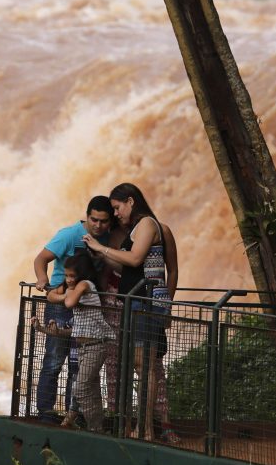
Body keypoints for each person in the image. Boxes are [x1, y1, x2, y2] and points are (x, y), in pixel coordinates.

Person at [84, 183, 179, 442]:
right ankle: (138, 426)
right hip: (136, 303)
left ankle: (145, 429)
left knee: (145, 366)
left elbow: (136, 260)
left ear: (130, 201)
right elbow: (129, 268)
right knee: (140, 365)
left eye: (117, 208)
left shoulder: (148, 224)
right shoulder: (137, 229)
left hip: (145, 304)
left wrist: (101, 247)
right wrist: (99, 254)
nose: (116, 214)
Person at [32, 196, 114, 423]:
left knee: (77, 364)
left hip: (86, 307)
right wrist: (42, 278)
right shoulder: (69, 235)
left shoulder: (107, 238)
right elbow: (41, 258)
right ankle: (46, 413)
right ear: (87, 217)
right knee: (54, 359)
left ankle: (73, 414)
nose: (98, 226)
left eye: (104, 221)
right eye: (94, 220)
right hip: (61, 303)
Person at [34, 253, 115, 433]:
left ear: (83, 275)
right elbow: (50, 296)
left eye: (72, 276)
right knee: (91, 388)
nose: (68, 280)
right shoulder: (73, 287)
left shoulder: (85, 285)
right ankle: (98, 427)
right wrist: (49, 328)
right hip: (84, 347)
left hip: (96, 346)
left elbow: (69, 303)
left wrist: (65, 293)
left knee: (80, 387)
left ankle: (94, 428)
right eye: (66, 275)